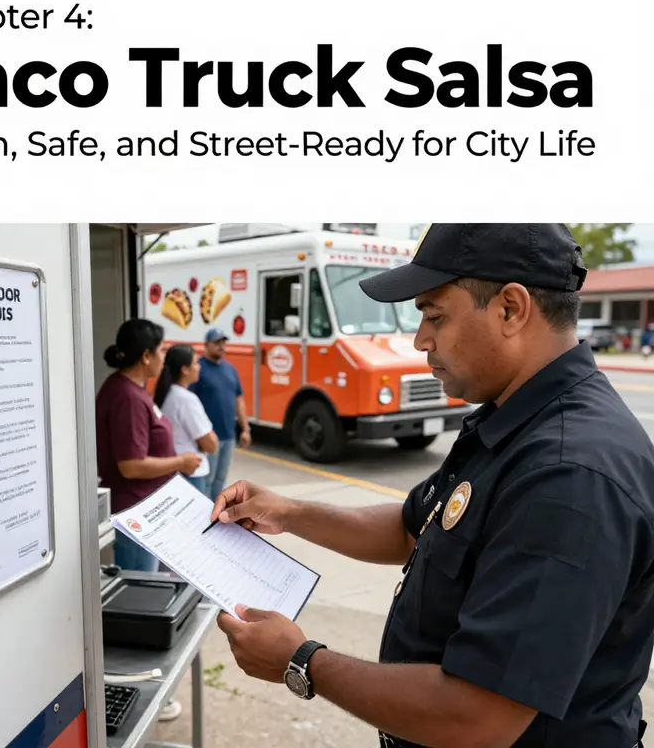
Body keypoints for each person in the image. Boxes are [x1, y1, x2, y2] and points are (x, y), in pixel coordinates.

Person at [213, 224, 654, 747]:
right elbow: (413, 526)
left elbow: (476, 715)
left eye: (434, 316)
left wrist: (302, 660)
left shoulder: (569, 475)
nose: (422, 339)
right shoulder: (512, 419)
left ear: (510, 309)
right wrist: (288, 512)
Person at [95, 319, 201, 572]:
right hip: (136, 512)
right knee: (140, 586)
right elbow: (131, 466)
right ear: (146, 356)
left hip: (146, 508)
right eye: (162, 350)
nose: (164, 357)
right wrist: (181, 462)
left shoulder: (132, 391)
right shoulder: (127, 397)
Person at [190, 327, 252, 502]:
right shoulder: (198, 369)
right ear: (207, 345)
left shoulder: (230, 369)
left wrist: (245, 429)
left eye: (223, 342)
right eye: (217, 343)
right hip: (208, 437)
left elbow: (239, 399)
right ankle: (201, 518)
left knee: (220, 480)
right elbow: (189, 401)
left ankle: (214, 515)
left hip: (228, 436)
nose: (222, 346)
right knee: (206, 480)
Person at [154, 343, 219, 497]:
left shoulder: (166, 394)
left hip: (173, 472)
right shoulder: (187, 399)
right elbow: (210, 444)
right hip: (191, 474)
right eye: (195, 363)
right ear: (184, 369)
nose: (199, 367)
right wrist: (206, 442)